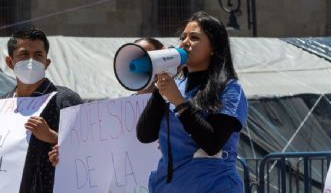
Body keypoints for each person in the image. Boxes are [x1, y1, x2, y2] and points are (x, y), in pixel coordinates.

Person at [136, 11, 248, 192]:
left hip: (213, 187)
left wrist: (179, 103)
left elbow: (212, 144)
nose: (185, 42)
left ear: (213, 47)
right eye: (183, 37)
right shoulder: (175, 86)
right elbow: (145, 135)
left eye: (194, 37)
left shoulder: (229, 89)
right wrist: (159, 91)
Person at [48, 37, 164, 166]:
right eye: (137, 57)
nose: (142, 63)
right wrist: (67, 155)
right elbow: (99, 150)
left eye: (148, 57)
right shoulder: (117, 110)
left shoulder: (176, 102)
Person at [2, 28, 83, 193]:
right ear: (10, 62)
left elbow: (89, 148)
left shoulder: (65, 99)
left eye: (38, 55)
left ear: (46, 63)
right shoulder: (3, 104)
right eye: (24, 54)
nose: (31, 61)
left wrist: (53, 137)